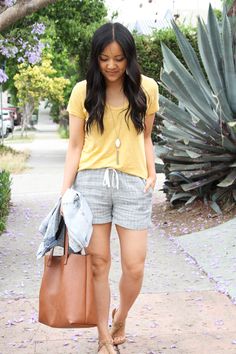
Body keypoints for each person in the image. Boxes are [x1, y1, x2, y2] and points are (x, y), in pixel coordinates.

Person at [61, 22, 159, 354]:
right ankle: (103, 335)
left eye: (118, 58)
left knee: (134, 264)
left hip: (133, 182)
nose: (112, 66)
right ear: (96, 58)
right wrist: (65, 193)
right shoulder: (82, 90)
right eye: (104, 58)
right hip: (91, 182)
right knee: (98, 262)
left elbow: (145, 136)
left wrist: (152, 171)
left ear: (129, 57)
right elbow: (75, 146)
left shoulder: (147, 89)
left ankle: (122, 316)